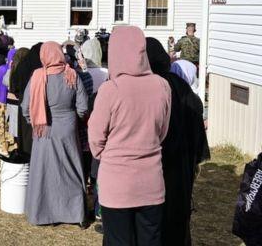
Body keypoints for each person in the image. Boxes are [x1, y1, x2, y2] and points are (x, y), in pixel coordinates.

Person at [88, 26, 171, 246]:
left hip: (117, 182)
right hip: (152, 181)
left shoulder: (110, 89)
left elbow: (95, 139)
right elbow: (162, 132)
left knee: (117, 240)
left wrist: (112, 154)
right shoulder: (162, 86)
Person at [146, 38, 210, 246]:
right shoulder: (180, 85)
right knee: (177, 214)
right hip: (181, 162)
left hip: (158, 163)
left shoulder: (149, 88)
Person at [21, 41, 88, 226]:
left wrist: (36, 121)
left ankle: (44, 214)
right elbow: (83, 107)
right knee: (70, 169)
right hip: (67, 127)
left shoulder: (36, 76)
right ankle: (74, 213)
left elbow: (26, 108)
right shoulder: (71, 74)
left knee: (44, 172)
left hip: (44, 130)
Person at [80, 38, 109, 223]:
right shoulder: (106, 72)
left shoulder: (82, 74)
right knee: (99, 169)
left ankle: (85, 203)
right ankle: (99, 207)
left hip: (86, 122)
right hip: (104, 122)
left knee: (85, 165)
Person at [10, 42, 42, 156]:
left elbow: (14, 85)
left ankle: (24, 153)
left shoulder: (22, 66)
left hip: (23, 101)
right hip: (38, 104)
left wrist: (21, 96)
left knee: (24, 133)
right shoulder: (40, 67)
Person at [0, 48, 17, 157]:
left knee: (2, 125)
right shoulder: (11, 71)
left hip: (0, 100)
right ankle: (5, 147)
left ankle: (3, 145)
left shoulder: (1, 68)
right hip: (8, 102)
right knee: (8, 125)